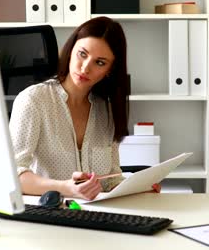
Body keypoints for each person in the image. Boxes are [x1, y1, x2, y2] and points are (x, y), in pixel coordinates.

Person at [9, 17, 130, 200]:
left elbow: (111, 179)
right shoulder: (33, 100)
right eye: (82, 54)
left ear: (110, 70)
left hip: (96, 216)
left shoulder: (106, 110)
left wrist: (137, 188)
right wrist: (65, 188)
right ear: (70, 50)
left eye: (100, 62)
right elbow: (12, 176)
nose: (85, 68)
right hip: (46, 215)